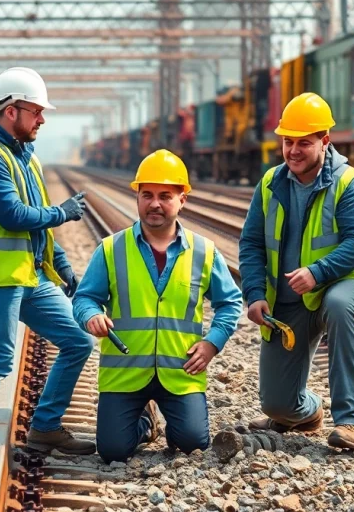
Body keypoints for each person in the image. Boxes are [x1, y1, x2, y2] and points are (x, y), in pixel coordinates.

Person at [0, 67, 96, 475]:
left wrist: (63, 267)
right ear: (12, 111)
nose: (42, 119)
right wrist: (62, 213)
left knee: (78, 342)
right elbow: (14, 215)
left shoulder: (25, 158)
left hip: (30, 276)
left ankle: (45, 427)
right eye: (36, 111)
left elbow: (37, 228)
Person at [72, 149, 244, 463]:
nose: (154, 204)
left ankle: (173, 422)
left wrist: (212, 343)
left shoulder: (203, 251)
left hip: (179, 371)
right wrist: (91, 315)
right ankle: (145, 423)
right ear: (137, 197)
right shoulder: (111, 249)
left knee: (192, 444)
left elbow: (231, 302)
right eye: (147, 195)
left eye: (165, 196)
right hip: (125, 372)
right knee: (113, 451)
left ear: (182, 200)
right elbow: (84, 298)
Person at [237, 92, 354, 451]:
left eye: (304, 143)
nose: (293, 151)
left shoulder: (349, 183)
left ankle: (350, 422)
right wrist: (255, 294)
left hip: (348, 283)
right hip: (293, 299)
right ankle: (309, 411)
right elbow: (251, 243)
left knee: (339, 304)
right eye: (288, 142)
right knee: (278, 407)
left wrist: (318, 272)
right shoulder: (270, 183)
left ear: (325, 141)